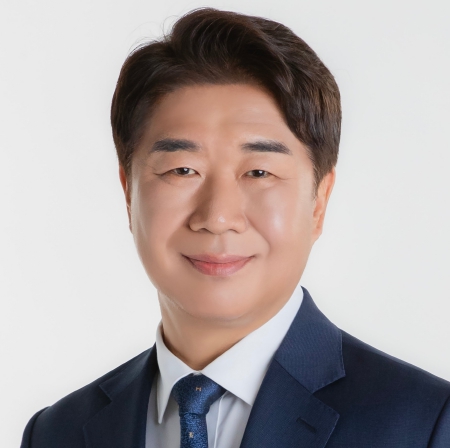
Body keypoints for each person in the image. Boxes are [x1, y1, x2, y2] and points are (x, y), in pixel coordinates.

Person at [20, 8, 450, 448]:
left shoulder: (426, 424)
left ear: (319, 201)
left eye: (259, 172)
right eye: (182, 170)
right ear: (129, 193)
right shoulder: (56, 432)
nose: (218, 217)